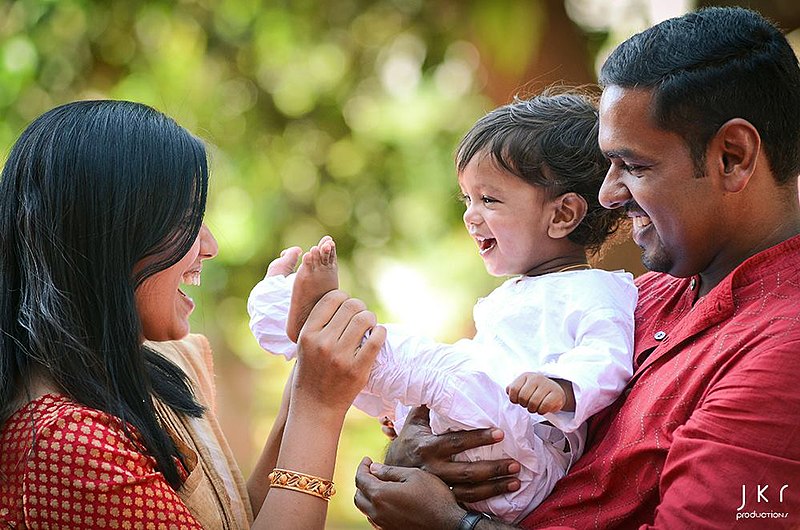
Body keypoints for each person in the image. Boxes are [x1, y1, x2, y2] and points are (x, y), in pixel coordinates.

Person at [352, 6, 800, 529]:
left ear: (732, 156)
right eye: (608, 164)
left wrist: (455, 525)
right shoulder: (644, 296)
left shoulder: (783, 353)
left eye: (633, 166)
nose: (608, 195)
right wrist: (424, 449)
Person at [247, 93, 637, 523]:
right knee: (389, 380)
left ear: (562, 214)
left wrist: (565, 387)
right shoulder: (516, 293)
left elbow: (608, 354)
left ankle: (317, 323)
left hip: (525, 454)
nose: (471, 216)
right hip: (491, 437)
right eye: (467, 199)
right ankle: (305, 333)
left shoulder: (596, 289)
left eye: (489, 200)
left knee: (445, 369)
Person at [0, 100, 387, 529]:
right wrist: (318, 411)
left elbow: (237, 520)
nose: (209, 245)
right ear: (107, 241)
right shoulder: (63, 444)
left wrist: (304, 388)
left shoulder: (135, 374)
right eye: (186, 221)